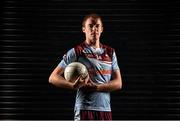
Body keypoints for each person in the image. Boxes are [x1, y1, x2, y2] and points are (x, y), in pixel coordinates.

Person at [49, 13, 122, 121]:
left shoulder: (110, 52)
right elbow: (53, 78)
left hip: (105, 110)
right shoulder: (77, 51)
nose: (94, 29)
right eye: (90, 26)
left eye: (97, 26)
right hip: (85, 109)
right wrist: (73, 86)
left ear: (102, 29)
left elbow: (118, 83)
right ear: (84, 29)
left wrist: (96, 87)